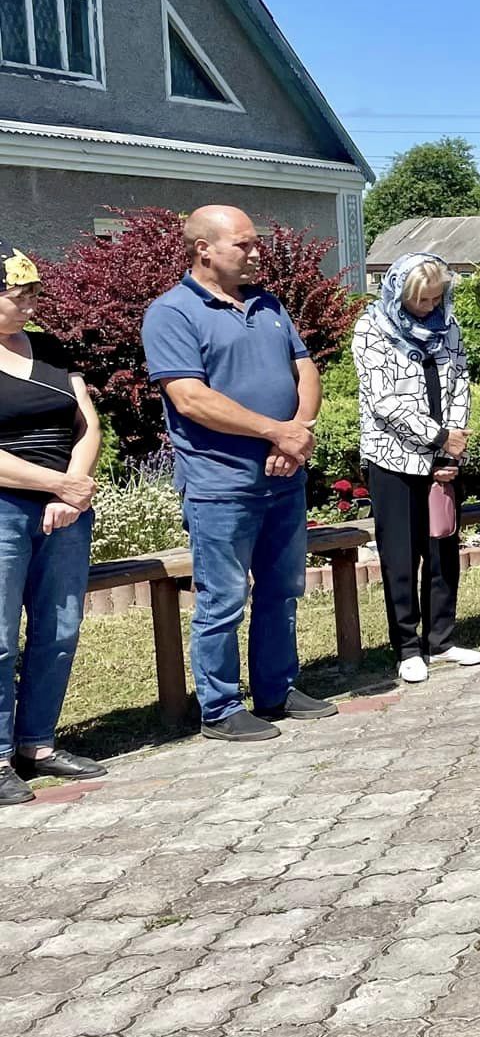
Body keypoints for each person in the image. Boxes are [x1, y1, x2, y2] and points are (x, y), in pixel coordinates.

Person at [141, 205, 333, 741]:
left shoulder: (268, 304)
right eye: (243, 244)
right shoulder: (172, 313)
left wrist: (297, 432)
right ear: (204, 249)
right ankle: (221, 708)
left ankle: (276, 689)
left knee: (282, 589)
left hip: (284, 476)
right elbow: (191, 398)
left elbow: (305, 369)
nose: (255, 253)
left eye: (255, 243)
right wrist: (275, 432)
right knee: (223, 598)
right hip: (221, 484)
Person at [0, 242, 105, 800]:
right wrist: (54, 484)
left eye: (34, 294)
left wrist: (75, 487)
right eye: (18, 296)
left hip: (67, 508)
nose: (30, 306)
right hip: (7, 509)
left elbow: (87, 423)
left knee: (59, 631)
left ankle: (37, 743)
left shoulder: (50, 349)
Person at [350, 252, 480, 686]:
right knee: (401, 555)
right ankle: (407, 647)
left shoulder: (449, 327)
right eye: (421, 300)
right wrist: (437, 437)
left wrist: (450, 449)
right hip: (393, 458)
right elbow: (383, 402)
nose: (429, 307)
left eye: (436, 298)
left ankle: (441, 639)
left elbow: (460, 383)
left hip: (443, 456)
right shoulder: (371, 328)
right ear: (399, 293)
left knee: (442, 548)